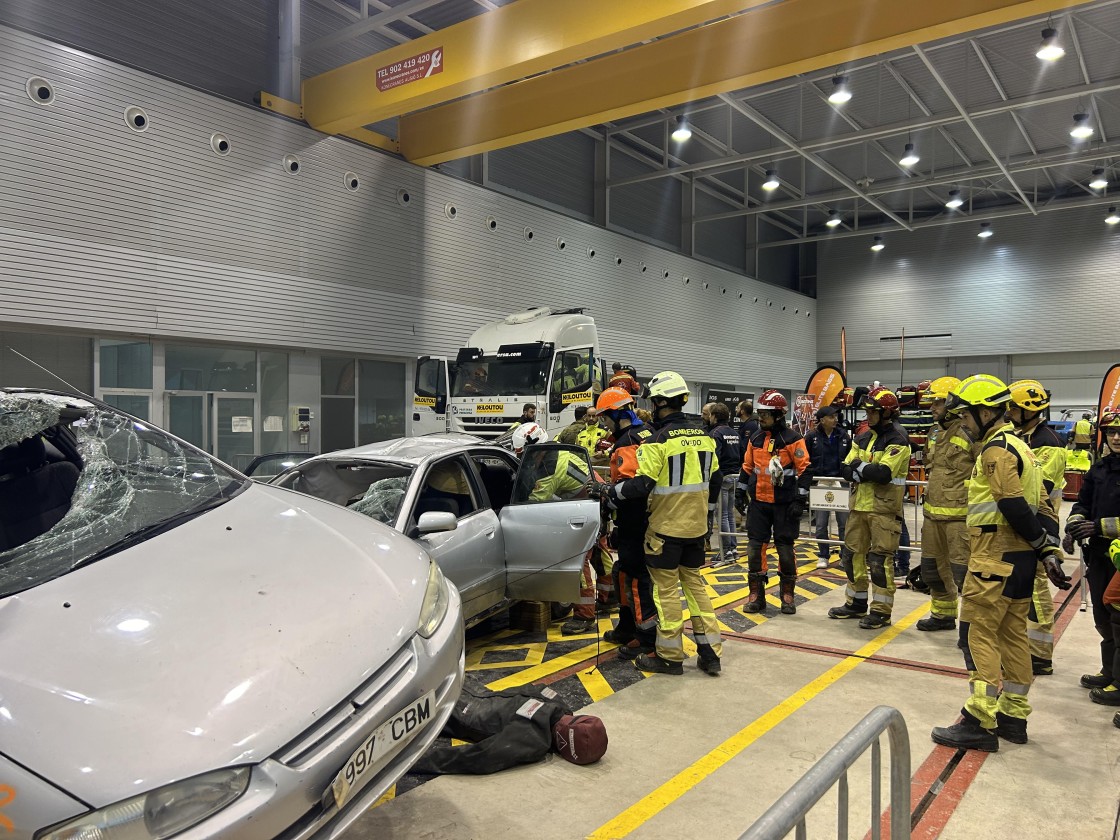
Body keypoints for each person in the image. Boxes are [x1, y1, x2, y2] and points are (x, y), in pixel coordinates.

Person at [931, 375, 1069, 751]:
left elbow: (1012, 504)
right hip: (1022, 563)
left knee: (974, 634)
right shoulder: (1023, 448)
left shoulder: (996, 450)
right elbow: (1044, 505)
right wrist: (1047, 549)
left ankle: (978, 719)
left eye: (965, 415)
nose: (961, 423)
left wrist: (1042, 545)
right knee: (1012, 637)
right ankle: (1014, 716)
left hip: (995, 556)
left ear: (986, 411)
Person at [605, 371, 724, 676]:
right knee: (696, 588)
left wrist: (608, 491)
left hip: (665, 531)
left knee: (666, 592)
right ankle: (710, 653)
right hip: (697, 530)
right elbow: (716, 479)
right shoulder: (705, 437)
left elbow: (640, 486)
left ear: (659, 402)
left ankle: (669, 656)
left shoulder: (658, 441)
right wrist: (706, 512)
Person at [828, 386, 911, 629]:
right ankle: (856, 603)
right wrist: (862, 469)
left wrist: (858, 467)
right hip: (859, 508)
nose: (869, 416)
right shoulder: (863, 437)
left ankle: (881, 611)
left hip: (883, 511)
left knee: (879, 561)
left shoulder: (898, 439)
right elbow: (844, 469)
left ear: (887, 413)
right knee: (852, 556)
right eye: (867, 411)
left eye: (873, 411)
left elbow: (883, 473)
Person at [1009, 379, 1067, 675]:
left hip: (1041, 523)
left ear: (1029, 410)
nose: (1008, 412)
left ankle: (1041, 654)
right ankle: (1024, 647)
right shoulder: (1022, 435)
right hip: (1022, 521)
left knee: (1036, 589)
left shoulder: (1049, 443)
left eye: (1014, 407)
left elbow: (1037, 486)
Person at [737, 390, 810, 615]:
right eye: (759, 413)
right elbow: (747, 467)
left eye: (765, 414)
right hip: (759, 503)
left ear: (778, 415)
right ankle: (756, 597)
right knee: (754, 549)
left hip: (785, 504)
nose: (761, 417)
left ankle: (787, 596)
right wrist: (740, 493)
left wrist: (800, 499)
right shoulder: (755, 438)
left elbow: (805, 469)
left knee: (785, 551)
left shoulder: (793, 439)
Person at [596, 387, 656, 659]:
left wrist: (608, 497)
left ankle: (643, 638)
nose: (602, 423)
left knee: (635, 577)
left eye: (604, 417)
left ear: (616, 413)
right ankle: (626, 627)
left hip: (636, 520)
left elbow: (631, 487)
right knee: (623, 571)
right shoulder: (647, 431)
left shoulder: (628, 442)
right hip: (647, 518)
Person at [1065, 406, 1120, 696]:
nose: (1117, 437)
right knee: (1101, 614)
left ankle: (1119, 684)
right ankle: (1110, 672)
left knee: (1119, 618)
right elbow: (1081, 503)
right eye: (1112, 431)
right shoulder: (1099, 468)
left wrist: (1097, 526)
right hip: (1098, 555)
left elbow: (1096, 521)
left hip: (1119, 559)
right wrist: (1073, 526)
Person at [915, 376, 976, 632]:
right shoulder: (935, 432)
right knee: (932, 571)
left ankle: (974, 626)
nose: (932, 408)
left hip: (960, 520)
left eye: (937, 403)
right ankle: (943, 615)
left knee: (965, 575)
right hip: (932, 516)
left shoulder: (971, 433)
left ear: (952, 402)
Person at [804, 405, 852, 570]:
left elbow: (850, 458)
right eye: (831, 417)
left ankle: (844, 556)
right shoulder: (811, 437)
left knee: (844, 523)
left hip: (840, 482)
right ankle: (823, 554)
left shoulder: (844, 436)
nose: (835, 419)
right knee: (821, 524)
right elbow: (805, 459)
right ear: (822, 420)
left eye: (836, 416)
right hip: (820, 483)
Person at [707, 402, 742, 567]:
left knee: (721, 516)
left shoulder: (715, 433)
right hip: (735, 476)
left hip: (722, 477)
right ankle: (733, 549)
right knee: (729, 514)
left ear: (714, 416)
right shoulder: (734, 432)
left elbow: (715, 458)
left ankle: (726, 550)